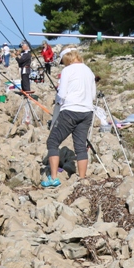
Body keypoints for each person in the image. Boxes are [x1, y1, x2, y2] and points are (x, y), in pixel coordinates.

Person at [42, 49, 95, 188]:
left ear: (66, 58)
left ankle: (53, 178)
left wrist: (58, 100)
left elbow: (62, 94)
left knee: (52, 141)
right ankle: (82, 179)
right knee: (80, 146)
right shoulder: (89, 71)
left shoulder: (67, 70)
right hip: (87, 111)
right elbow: (93, 94)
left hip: (70, 110)